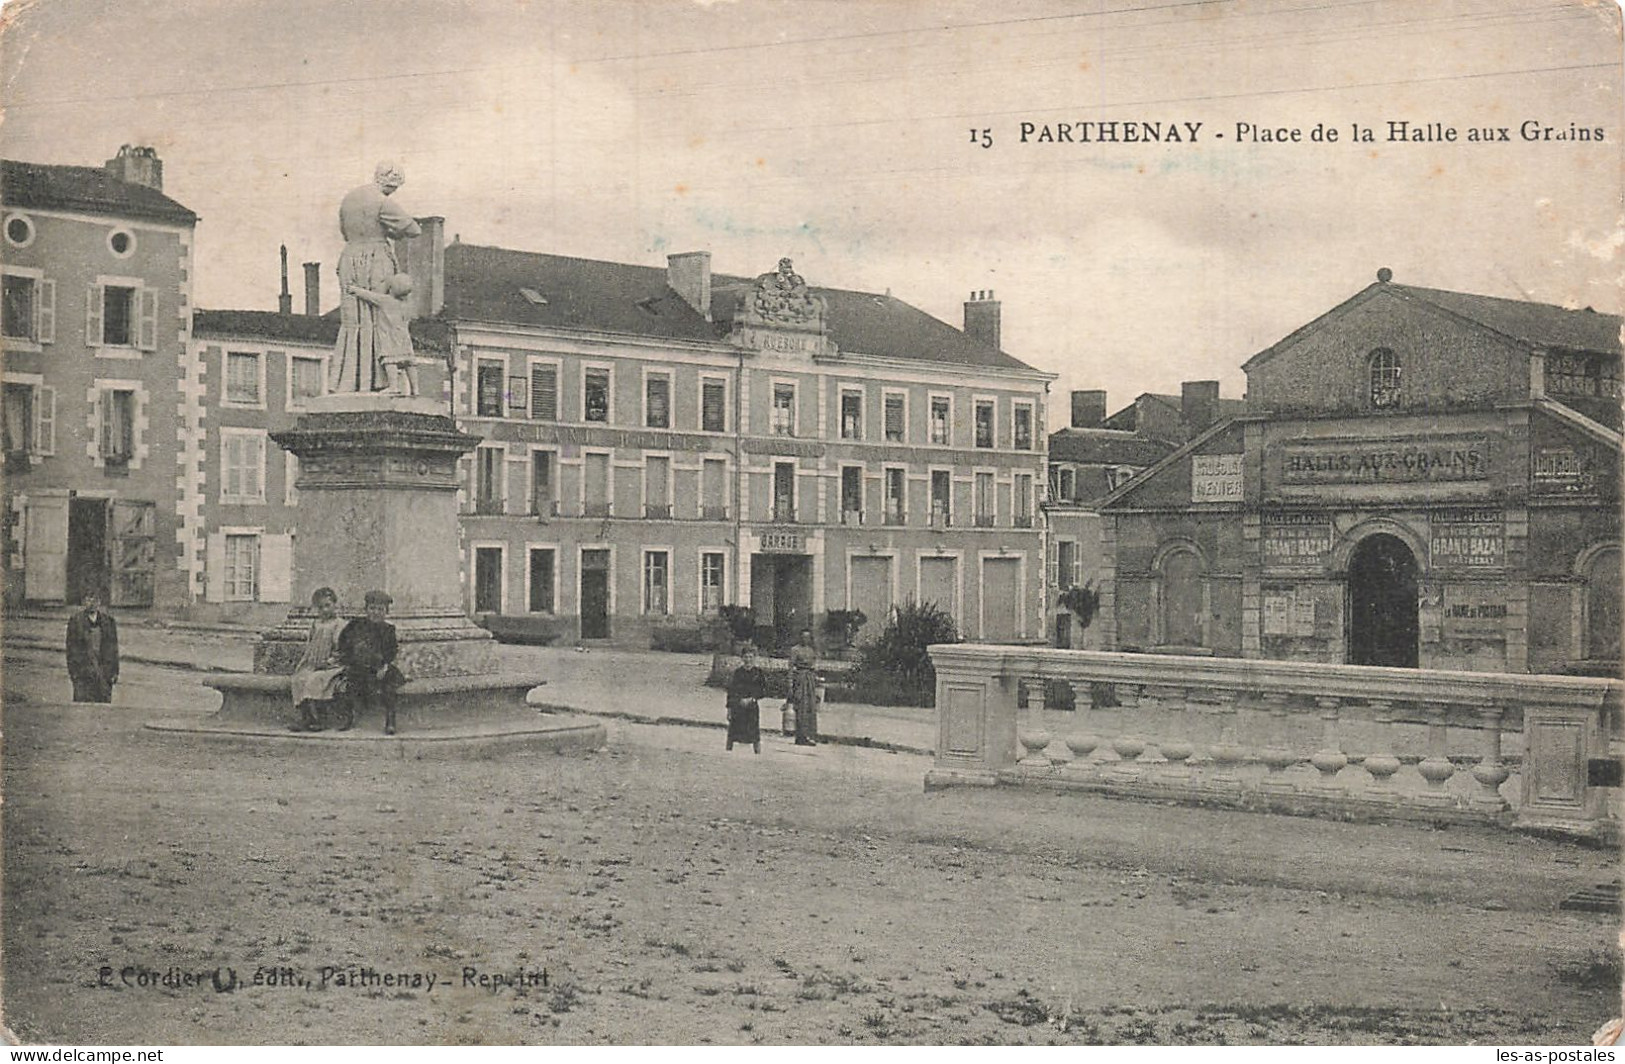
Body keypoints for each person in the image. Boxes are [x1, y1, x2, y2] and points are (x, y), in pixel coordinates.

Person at [332, 162, 421, 393]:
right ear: (389, 182)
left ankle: (350, 381)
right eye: (394, 187)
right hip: (376, 259)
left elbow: (344, 231)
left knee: (354, 321)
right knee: (379, 318)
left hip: (350, 257)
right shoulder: (382, 202)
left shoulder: (349, 198)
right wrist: (391, 232)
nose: (394, 192)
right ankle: (376, 381)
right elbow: (413, 229)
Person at [335, 589, 407, 735]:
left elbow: (391, 651)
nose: (376, 612)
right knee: (349, 684)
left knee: (389, 686)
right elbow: (343, 643)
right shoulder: (356, 625)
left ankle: (390, 720)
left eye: (380, 609)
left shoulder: (388, 629)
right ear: (366, 609)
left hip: (380, 667)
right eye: (372, 608)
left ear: (386, 612)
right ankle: (348, 717)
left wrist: (384, 666)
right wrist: (347, 660)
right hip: (359, 666)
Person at [345, 274, 419, 396]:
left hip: (389, 336)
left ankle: (393, 386)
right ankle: (415, 389)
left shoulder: (386, 301)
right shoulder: (407, 306)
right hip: (404, 336)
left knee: (390, 360)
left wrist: (354, 289)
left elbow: (369, 296)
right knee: (409, 361)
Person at [288, 587, 346, 732]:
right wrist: (308, 661)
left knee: (315, 680)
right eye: (320, 607)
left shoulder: (340, 624)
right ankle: (306, 717)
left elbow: (342, 648)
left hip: (332, 665)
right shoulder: (316, 624)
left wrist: (330, 661)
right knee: (299, 679)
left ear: (335, 605)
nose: (325, 610)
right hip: (315, 663)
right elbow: (311, 644)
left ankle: (320, 718)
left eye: (328, 605)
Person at [66, 591, 119, 703]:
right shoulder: (76, 621)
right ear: (84, 601)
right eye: (89, 599)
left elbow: (114, 648)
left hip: (103, 674)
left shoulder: (108, 622)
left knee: (103, 708)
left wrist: (114, 672)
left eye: (95, 600)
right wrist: (74, 674)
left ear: (99, 602)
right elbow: (71, 650)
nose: (92, 603)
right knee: (82, 708)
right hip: (83, 674)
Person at [725, 644, 768, 754]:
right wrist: (730, 708)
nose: (748, 660)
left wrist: (753, 698)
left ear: (754, 658)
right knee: (733, 730)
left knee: (753, 730)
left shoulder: (758, 673)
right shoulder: (738, 673)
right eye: (746, 657)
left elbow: (763, 690)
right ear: (742, 658)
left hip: (751, 706)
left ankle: (757, 753)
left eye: (750, 657)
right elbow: (731, 691)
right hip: (738, 705)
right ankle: (728, 752)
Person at [788, 627, 819, 746]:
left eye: (808, 637)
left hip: (810, 680)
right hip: (800, 680)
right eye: (803, 636)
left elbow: (814, 666)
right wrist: (790, 685)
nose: (805, 639)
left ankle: (810, 735)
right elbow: (790, 668)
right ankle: (800, 736)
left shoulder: (811, 650)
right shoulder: (795, 650)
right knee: (801, 707)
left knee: (810, 708)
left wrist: (815, 681)